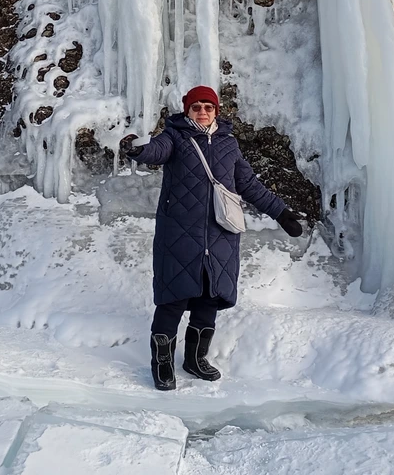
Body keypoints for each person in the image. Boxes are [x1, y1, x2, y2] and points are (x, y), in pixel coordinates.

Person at [120, 85, 304, 391]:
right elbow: (156, 151)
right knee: (173, 298)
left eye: (208, 107)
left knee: (210, 297)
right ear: (187, 110)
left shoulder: (228, 145)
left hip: (220, 235)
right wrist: (138, 149)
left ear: (216, 111)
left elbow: (249, 184)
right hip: (179, 235)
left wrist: (282, 213)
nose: (202, 112)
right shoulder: (175, 137)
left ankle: (195, 358)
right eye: (196, 107)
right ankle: (162, 363)